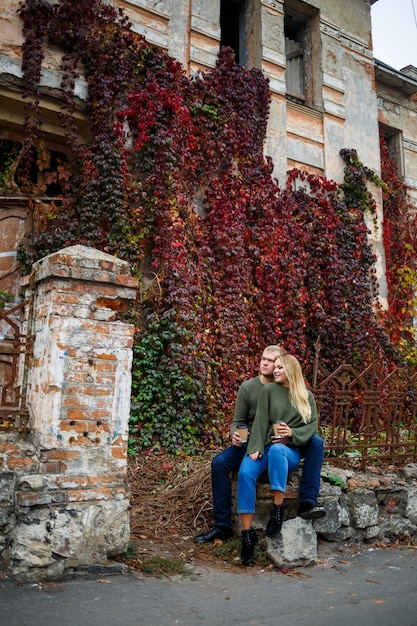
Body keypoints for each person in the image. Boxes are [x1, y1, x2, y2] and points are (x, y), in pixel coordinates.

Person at [194, 346, 325, 545]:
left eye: (271, 361)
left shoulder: (294, 391)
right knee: (219, 463)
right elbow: (239, 421)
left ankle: (307, 502)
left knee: (316, 441)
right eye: (263, 359)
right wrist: (238, 437)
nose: (265, 363)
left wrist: (290, 436)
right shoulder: (249, 388)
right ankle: (223, 527)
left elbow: (306, 421)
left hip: (279, 440)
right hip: (252, 438)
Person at [237, 352, 320, 565]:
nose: (275, 370)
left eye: (280, 367)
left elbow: (312, 426)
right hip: (265, 444)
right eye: (275, 367)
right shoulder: (269, 390)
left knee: (277, 451)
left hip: (288, 451)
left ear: (291, 370)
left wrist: (292, 433)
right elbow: (261, 420)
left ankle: (277, 508)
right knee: (245, 473)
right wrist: (254, 446)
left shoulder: (305, 395)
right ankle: (247, 535)